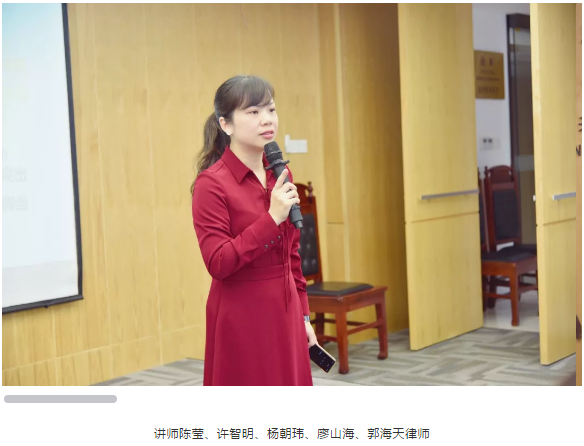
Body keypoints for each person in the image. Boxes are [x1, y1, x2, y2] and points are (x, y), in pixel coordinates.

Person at [191, 75, 317, 386]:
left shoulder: (281, 174)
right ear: (226, 124)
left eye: (271, 109)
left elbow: (292, 254)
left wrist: (303, 315)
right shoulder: (211, 184)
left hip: (286, 311)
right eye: (253, 112)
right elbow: (218, 262)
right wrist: (271, 219)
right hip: (241, 314)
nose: (267, 119)